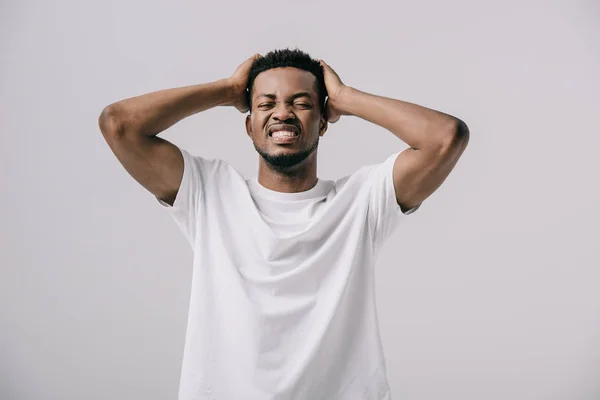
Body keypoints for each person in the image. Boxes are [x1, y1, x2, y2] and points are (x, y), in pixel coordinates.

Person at [98, 48, 469, 400]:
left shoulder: (362, 201)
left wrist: (346, 97)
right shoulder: (209, 193)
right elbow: (119, 125)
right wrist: (227, 89)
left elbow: (445, 137)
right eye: (266, 103)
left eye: (302, 103)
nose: (282, 113)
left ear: (323, 123)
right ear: (249, 125)